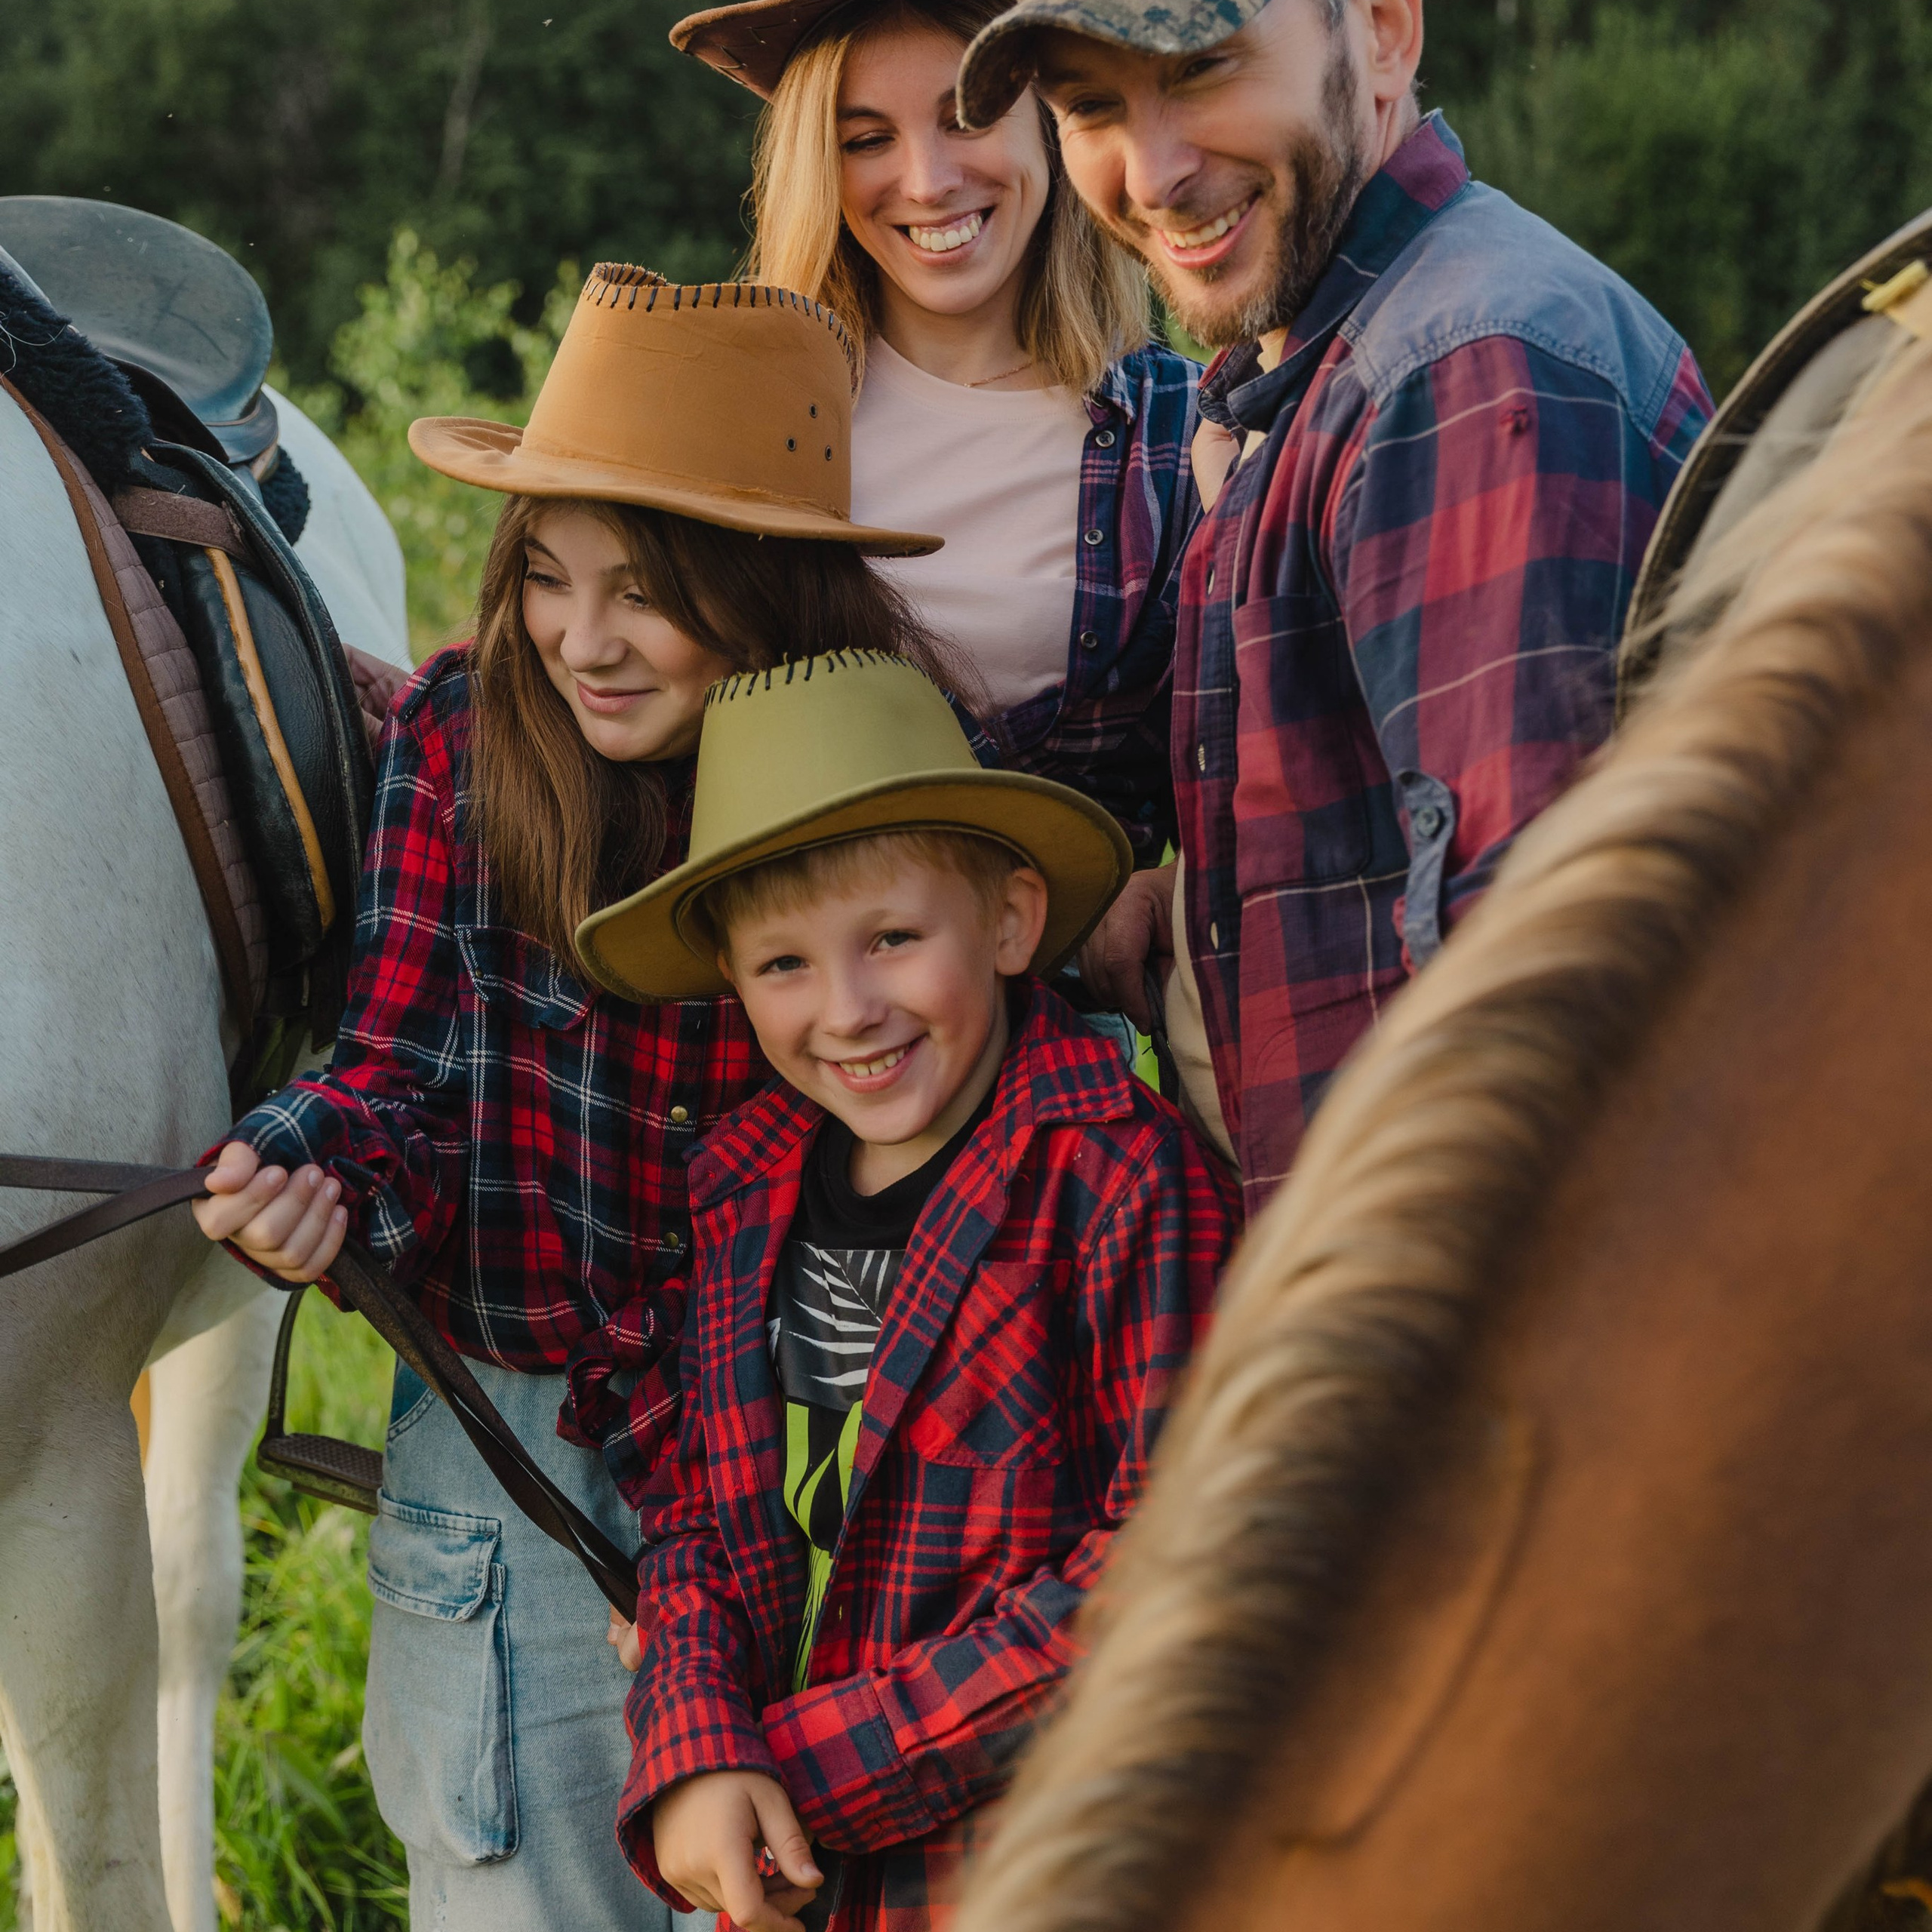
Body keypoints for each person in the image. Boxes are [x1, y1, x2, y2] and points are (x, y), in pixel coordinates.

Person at [189, 267, 949, 1932]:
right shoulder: (469, 737)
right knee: (518, 1879)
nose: (582, 638)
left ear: (764, 583)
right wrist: (312, 1175)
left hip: (803, 1444)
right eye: (547, 574)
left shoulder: (874, 772)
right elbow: (399, 1064)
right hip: (521, 1441)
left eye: (644, 590)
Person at [955, 0, 1715, 1211]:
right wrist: (1207, 901)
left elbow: (1537, 1004)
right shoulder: (1319, 364)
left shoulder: (1462, 379)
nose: (1152, 173)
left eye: (1200, 70)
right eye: (1093, 106)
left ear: (1384, 32)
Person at [574, 651, 1238, 1932]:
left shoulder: (1115, 1175)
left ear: (1008, 921)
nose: (849, 1010)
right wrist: (698, 1744)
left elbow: (1171, 1569)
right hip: (798, 1875)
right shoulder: (741, 1187)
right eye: (785, 966)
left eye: (891, 938)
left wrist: (806, 1770)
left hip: (1039, 1865)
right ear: (731, 982)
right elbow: (705, 1517)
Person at [670, 0, 1197, 868]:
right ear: (820, 168)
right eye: (866, 140)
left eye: (970, 117)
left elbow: (1247, 771)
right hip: (773, 985)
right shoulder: (735, 414)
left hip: (1058, 998)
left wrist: (1157, 896)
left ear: (1052, 122)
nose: (926, 181)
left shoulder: (1185, 435)